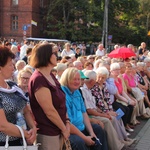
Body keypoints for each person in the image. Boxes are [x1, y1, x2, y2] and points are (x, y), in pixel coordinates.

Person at [28, 43, 70, 150]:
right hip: (48, 134)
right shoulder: (39, 79)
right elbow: (49, 110)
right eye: (54, 53)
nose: (57, 56)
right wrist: (64, 128)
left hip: (59, 130)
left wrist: (67, 122)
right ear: (46, 55)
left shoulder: (50, 75)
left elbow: (61, 102)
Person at [60, 67, 108, 150]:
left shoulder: (77, 92)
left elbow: (84, 113)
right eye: (74, 79)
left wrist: (91, 133)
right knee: (79, 142)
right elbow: (67, 124)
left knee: (98, 129)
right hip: (70, 131)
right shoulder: (62, 94)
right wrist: (85, 138)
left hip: (81, 127)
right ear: (66, 79)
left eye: (79, 79)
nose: (77, 82)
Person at [0, 46, 36, 146]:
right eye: (10, 65)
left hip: (21, 141)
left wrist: (33, 128)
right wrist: (26, 134)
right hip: (4, 144)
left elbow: (25, 110)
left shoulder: (13, 86)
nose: (13, 68)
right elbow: (3, 126)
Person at [80, 70, 125, 150]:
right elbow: (89, 110)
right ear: (92, 81)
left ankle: (122, 140)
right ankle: (117, 146)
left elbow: (97, 104)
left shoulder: (89, 89)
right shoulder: (84, 90)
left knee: (116, 115)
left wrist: (105, 112)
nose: (82, 82)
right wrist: (104, 114)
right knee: (108, 120)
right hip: (91, 115)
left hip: (97, 112)